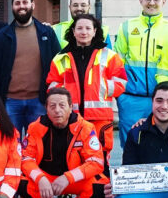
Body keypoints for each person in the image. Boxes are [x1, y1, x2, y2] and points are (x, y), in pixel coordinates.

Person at [46, 13, 126, 170]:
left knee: (100, 160)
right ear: (73, 31)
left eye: (88, 28)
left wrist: (101, 87)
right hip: (71, 117)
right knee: (71, 158)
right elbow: (51, 84)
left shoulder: (109, 56)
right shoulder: (61, 57)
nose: (84, 32)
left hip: (99, 118)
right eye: (80, 28)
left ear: (95, 31)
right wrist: (64, 96)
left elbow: (121, 82)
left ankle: (100, 191)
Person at [0, 0, 60, 136]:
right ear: (12, 6)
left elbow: (58, 65)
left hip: (39, 101)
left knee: (38, 144)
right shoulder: (2, 36)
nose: (22, 6)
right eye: (17, 3)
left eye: (25, 2)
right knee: (10, 143)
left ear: (32, 5)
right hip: (9, 102)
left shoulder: (47, 33)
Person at [114, 0, 168, 147]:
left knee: (160, 142)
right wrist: (120, 94)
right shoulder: (127, 27)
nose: (151, 2)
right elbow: (116, 62)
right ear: (141, 0)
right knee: (131, 142)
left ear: (164, 2)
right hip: (131, 97)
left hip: (160, 98)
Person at [21, 88, 107, 198]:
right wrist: (40, 178)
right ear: (46, 109)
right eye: (52, 106)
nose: (57, 110)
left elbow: (96, 162)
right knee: (18, 180)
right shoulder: (35, 128)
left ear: (71, 108)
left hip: (73, 179)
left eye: (62, 105)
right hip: (45, 179)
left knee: (101, 185)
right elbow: (26, 159)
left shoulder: (85, 128)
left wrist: (68, 177)